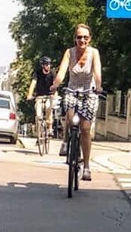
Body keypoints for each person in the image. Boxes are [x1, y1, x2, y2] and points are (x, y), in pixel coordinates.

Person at [50, 23, 102, 181]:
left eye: (85, 37)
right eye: (79, 37)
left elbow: (97, 72)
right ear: (75, 39)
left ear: (89, 39)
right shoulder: (69, 53)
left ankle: (86, 167)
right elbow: (62, 72)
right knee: (71, 117)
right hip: (72, 89)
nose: (82, 40)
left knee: (85, 128)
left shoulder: (94, 53)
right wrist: (56, 84)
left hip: (89, 92)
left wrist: (98, 86)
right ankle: (66, 142)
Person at [26, 56, 55, 149]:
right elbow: (33, 84)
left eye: (49, 64)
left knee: (48, 107)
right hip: (39, 96)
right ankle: (39, 135)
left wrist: (55, 94)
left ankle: (49, 128)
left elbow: (55, 85)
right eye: (47, 64)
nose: (48, 66)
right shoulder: (37, 73)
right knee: (38, 115)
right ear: (42, 66)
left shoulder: (52, 73)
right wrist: (29, 95)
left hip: (49, 95)